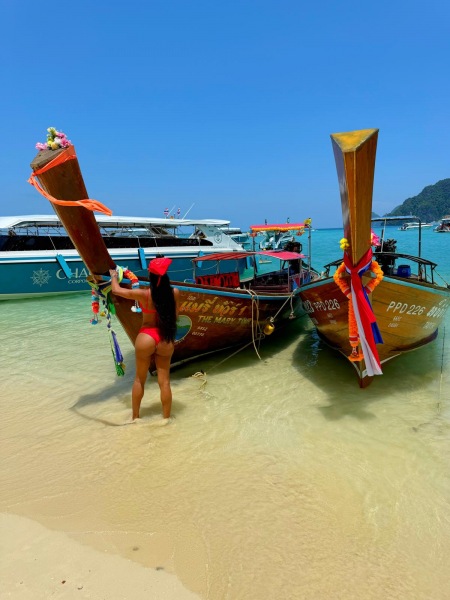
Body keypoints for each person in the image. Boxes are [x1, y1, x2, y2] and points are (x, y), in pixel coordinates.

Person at [109, 258, 179, 421]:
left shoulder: (144, 294)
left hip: (146, 336)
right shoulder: (174, 293)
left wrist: (113, 276)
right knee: (165, 382)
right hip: (165, 338)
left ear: (150, 275)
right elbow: (175, 317)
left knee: (139, 380)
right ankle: (166, 419)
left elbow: (117, 290)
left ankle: (135, 418)